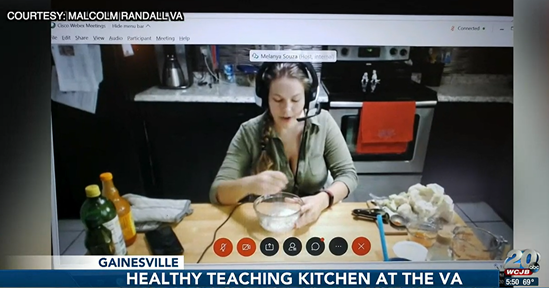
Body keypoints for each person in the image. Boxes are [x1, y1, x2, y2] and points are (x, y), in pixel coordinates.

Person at [209, 61, 358, 228]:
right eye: (278, 100)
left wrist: (324, 199)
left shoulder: (324, 123)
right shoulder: (249, 131)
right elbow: (217, 193)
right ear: (265, 98)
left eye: (295, 100)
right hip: (267, 224)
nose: (287, 110)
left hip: (316, 222)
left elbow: (348, 175)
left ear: (308, 98)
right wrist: (249, 184)